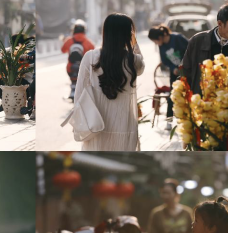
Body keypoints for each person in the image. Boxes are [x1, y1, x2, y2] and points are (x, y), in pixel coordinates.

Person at [74, 13, 145, 151]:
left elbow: (79, 94)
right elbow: (141, 66)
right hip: (124, 126)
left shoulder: (91, 57)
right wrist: (134, 43)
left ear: (105, 32)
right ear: (128, 34)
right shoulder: (133, 60)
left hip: (96, 125)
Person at [148, 24, 189, 131]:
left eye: (155, 41)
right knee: (172, 96)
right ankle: (169, 121)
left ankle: (189, 120)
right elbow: (165, 61)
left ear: (160, 37)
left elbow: (190, 50)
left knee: (189, 94)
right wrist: (173, 68)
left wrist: (184, 65)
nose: (156, 44)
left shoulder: (177, 38)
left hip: (188, 72)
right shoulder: (162, 46)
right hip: (175, 74)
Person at [0, 35, 35, 115]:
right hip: (24, 85)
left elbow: (30, 63)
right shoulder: (10, 51)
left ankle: (28, 105)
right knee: (5, 78)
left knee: (10, 78)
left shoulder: (27, 53)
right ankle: (4, 103)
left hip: (26, 85)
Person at [61, 19, 95, 101]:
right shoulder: (88, 42)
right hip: (83, 68)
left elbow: (63, 50)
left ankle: (73, 90)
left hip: (70, 67)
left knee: (72, 78)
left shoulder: (69, 40)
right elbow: (93, 52)